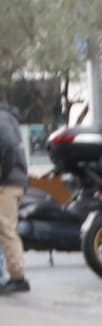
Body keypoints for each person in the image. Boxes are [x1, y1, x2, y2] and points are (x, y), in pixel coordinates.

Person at [0, 100, 30, 296]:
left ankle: (18, 278)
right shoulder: (5, 117)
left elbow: (9, 147)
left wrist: (2, 174)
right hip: (11, 181)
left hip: (8, 183)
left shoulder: (1, 119)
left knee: (5, 228)